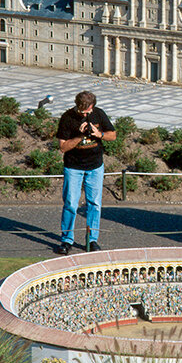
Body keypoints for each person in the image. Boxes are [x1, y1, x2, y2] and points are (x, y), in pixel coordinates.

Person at [55, 91, 116, 255]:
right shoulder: (67, 118)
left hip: (95, 166)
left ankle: (92, 239)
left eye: (88, 111)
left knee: (94, 204)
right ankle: (66, 240)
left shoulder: (99, 113)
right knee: (70, 204)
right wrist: (80, 135)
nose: (86, 114)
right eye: (83, 112)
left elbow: (113, 135)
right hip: (73, 167)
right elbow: (63, 147)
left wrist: (99, 134)